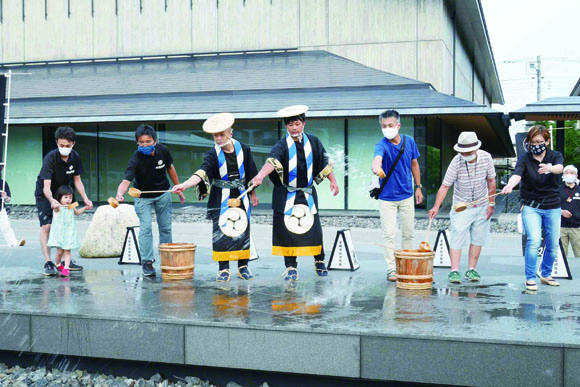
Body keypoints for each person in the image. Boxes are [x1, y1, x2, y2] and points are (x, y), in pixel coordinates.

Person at [252, 105, 339, 281]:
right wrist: (260, 176)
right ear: (286, 126)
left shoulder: (313, 141)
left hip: (307, 193)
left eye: (297, 123)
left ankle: (319, 260)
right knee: (287, 230)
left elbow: (324, 162)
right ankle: (291, 266)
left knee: (314, 228)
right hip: (286, 194)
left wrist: (333, 181)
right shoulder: (282, 144)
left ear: (303, 123)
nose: (294, 127)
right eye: (290, 124)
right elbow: (272, 161)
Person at [173, 113, 258, 282]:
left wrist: (253, 193)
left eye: (221, 134)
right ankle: (223, 268)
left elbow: (251, 172)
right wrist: (185, 184)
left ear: (230, 133)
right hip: (221, 196)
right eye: (215, 136)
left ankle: (243, 266)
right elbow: (202, 173)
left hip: (241, 195)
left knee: (242, 228)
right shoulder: (212, 154)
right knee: (221, 232)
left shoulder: (244, 148)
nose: (218, 139)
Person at [116, 124, 184, 277]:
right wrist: (120, 194)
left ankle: (167, 259)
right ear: (137, 143)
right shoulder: (135, 158)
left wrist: (178, 187)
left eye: (148, 141)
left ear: (155, 141)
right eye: (141, 142)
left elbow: (170, 168)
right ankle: (147, 262)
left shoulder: (163, 150)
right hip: (142, 198)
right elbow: (126, 180)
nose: (145, 145)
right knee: (146, 229)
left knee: (165, 228)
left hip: (163, 194)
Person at [428, 132, 496, 283]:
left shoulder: (486, 157)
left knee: (478, 237)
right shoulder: (456, 162)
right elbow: (445, 186)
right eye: (463, 152)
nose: (465, 155)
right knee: (457, 235)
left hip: (482, 204)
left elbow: (491, 181)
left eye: (469, 152)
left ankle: (471, 269)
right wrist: (435, 207)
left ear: (476, 149)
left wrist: (491, 203)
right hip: (462, 205)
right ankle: (454, 271)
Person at [502, 125, 564, 291]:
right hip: (531, 206)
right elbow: (517, 174)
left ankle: (546, 274)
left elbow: (560, 168)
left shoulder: (555, 155)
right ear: (528, 143)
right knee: (534, 240)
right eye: (533, 142)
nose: (536, 144)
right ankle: (530, 278)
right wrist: (509, 185)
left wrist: (549, 168)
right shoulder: (524, 158)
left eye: (540, 141)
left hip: (553, 206)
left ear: (547, 141)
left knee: (552, 243)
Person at [371, 109, 422, 282]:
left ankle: (406, 264)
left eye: (390, 125)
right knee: (389, 234)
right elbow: (377, 158)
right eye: (383, 126)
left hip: (407, 195)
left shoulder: (409, 141)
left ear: (398, 125)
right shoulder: (381, 144)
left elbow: (414, 165)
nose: (387, 129)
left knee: (409, 233)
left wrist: (418, 187)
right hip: (387, 198)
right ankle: (392, 269)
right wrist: (376, 167)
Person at [35, 127, 93, 276]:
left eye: (67, 146)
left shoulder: (75, 157)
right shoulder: (50, 158)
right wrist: (52, 200)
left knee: (65, 227)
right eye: (61, 145)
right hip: (46, 195)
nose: (64, 148)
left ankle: (65, 260)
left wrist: (85, 198)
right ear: (57, 143)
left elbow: (77, 180)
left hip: (64, 194)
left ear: (73, 143)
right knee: (47, 227)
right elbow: (46, 187)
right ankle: (48, 262)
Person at [47, 185, 87, 277]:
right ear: (59, 197)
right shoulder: (58, 208)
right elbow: (55, 207)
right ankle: (57, 264)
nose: (68, 200)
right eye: (66, 197)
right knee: (60, 252)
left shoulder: (70, 207)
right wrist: (55, 204)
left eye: (70, 197)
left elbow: (77, 212)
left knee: (67, 252)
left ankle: (66, 268)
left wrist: (85, 208)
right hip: (59, 235)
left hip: (69, 234)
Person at [0, 166, 25, 247]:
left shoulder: (3, 183)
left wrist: (5, 196)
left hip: (1, 209)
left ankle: (13, 243)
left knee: (6, 227)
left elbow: (8, 199)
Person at [560, 165, 580, 258]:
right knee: (561, 255)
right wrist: (560, 211)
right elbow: (551, 205)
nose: (569, 175)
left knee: (579, 254)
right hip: (560, 227)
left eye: (572, 173)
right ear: (563, 175)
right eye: (566, 172)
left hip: (577, 227)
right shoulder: (557, 189)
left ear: (576, 175)